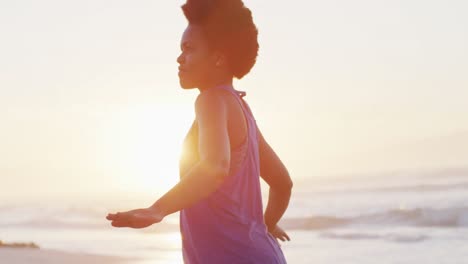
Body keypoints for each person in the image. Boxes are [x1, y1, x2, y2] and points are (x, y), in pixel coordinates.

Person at [106, 0, 293, 263]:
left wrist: (157, 210)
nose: (179, 58)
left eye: (189, 49)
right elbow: (283, 182)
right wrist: (265, 225)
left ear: (218, 57)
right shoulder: (241, 109)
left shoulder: (211, 100)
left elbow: (216, 167)